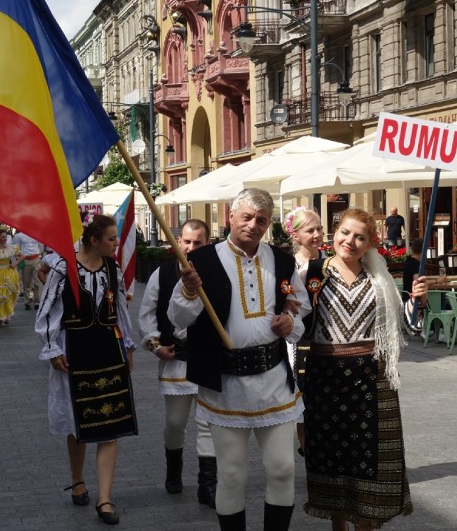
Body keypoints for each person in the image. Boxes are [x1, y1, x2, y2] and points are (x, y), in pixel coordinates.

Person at [168, 188, 310, 531]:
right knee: (231, 475)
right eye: (246, 217)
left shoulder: (283, 260)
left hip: (274, 379)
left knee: (282, 469)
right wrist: (188, 291)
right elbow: (178, 320)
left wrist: (290, 322)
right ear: (230, 216)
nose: (253, 225)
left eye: (261, 220)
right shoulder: (199, 262)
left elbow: (299, 306)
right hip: (225, 385)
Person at [301, 208, 426, 531]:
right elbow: (295, 324)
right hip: (324, 380)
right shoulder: (311, 273)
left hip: (372, 379)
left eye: (360, 237)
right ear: (334, 233)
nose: (350, 241)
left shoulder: (379, 279)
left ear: (370, 243)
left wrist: (417, 300)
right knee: (334, 464)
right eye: (345, 233)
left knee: (372, 466)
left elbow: (407, 325)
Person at [36, 214, 137, 526]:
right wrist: (52, 348)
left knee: (111, 422)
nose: (115, 244)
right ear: (94, 240)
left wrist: (128, 344)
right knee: (78, 421)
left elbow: (119, 306)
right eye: (110, 239)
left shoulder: (112, 268)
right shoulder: (63, 268)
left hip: (107, 348)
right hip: (74, 349)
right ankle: (78, 479)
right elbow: (47, 309)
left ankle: (105, 499)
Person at [138, 218, 217, 507]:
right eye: (186, 240)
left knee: (209, 421)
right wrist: (155, 344)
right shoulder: (163, 273)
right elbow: (146, 314)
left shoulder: (217, 271)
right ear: (178, 241)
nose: (190, 246)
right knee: (175, 422)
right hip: (177, 359)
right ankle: (173, 471)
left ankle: (208, 484)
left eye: (198, 242)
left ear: (207, 243)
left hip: (208, 356)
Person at [285, 206, 324, 453]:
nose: (317, 234)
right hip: (301, 339)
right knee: (303, 395)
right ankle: (305, 447)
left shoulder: (332, 261)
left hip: (328, 335)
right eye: (310, 230)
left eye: (319, 228)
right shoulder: (289, 265)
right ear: (296, 235)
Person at [12, 229, 43, 310]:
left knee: (37, 281)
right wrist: (20, 258)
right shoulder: (18, 236)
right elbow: (15, 248)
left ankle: (37, 301)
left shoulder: (37, 233)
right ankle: (27, 302)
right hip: (25, 260)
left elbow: (41, 246)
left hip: (36, 259)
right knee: (26, 282)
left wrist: (37, 254)